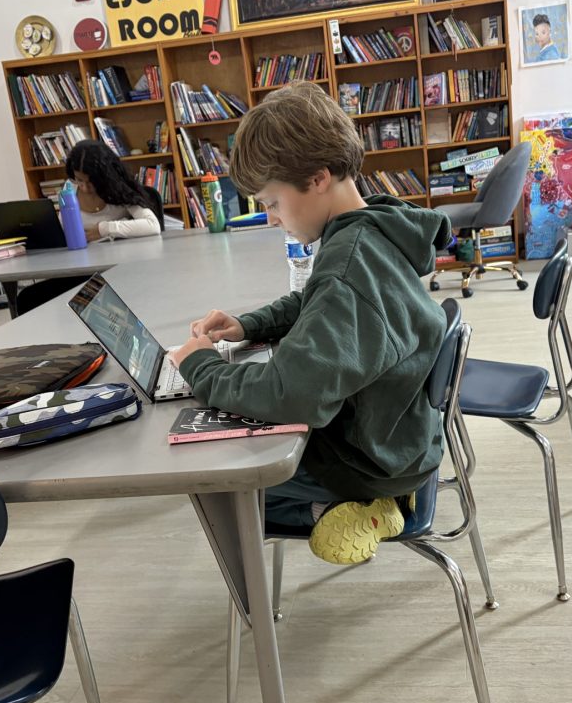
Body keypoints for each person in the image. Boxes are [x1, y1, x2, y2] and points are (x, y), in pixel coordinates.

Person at [167, 81, 452, 565]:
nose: (271, 219)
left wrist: (199, 366)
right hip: (398, 435)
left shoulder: (349, 264)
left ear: (318, 178)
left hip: (369, 462)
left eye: (272, 203)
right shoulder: (372, 228)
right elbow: (314, 301)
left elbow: (290, 394)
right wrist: (247, 325)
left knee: (215, 486)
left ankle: (351, 509)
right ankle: (359, 504)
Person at [15, 139, 164, 315]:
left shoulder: (118, 189)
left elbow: (152, 225)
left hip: (116, 270)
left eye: (91, 181)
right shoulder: (70, 189)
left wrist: (103, 229)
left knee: (82, 304)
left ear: (104, 176)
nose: (85, 187)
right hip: (80, 270)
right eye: (79, 180)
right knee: (27, 298)